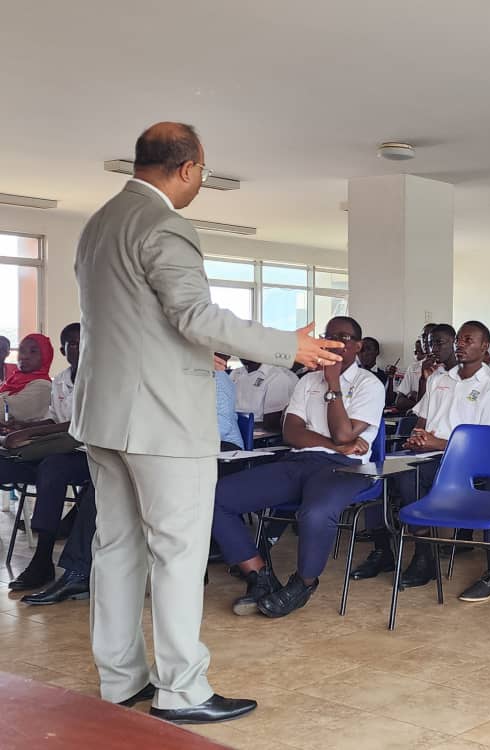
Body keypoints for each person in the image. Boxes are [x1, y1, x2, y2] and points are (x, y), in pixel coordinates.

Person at [71, 122, 339, 723]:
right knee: (178, 554)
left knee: (115, 548)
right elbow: (193, 315)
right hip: (162, 420)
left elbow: (134, 322)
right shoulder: (165, 224)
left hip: (104, 414)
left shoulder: (99, 224)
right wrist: (284, 346)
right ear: (189, 168)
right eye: (204, 173)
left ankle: (120, 682)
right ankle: (183, 691)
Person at [212, 316, 384, 618]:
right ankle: (259, 575)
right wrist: (332, 443)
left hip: (348, 468)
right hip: (301, 460)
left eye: (343, 337)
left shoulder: (369, 384)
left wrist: (333, 383)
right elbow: (291, 432)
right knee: (216, 498)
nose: (335, 342)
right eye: (329, 336)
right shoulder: (307, 380)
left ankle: (303, 583)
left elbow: (345, 434)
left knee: (315, 512)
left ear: (357, 345)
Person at [374, 321, 490, 590]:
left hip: (467, 462)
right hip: (430, 454)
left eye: (469, 340)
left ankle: (427, 557)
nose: (460, 344)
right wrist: (419, 435)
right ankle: (393, 553)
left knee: (410, 476)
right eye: (459, 338)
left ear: (485, 348)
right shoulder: (438, 378)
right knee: (381, 472)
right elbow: (422, 419)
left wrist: (437, 443)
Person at [6, 324, 89, 591]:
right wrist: (22, 428)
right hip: (59, 449)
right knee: (9, 464)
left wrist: (35, 431)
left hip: (88, 454)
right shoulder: (62, 379)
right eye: (71, 345)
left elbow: (81, 424)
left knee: (53, 468)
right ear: (64, 351)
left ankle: (42, 559)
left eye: (82, 342)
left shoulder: (100, 378)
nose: (77, 348)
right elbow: (55, 416)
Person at [0, 333, 54, 427]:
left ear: (45, 355)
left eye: (33, 351)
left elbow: (7, 413)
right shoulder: (13, 380)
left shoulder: (43, 386)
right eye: (21, 351)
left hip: (21, 439)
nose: (24, 356)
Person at [229, 357, 298, 430]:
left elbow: (272, 424)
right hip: (230, 427)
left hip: (255, 433)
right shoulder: (236, 372)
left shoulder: (277, 376)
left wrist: (240, 426)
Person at [394, 323, 436, 412]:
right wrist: (420, 405)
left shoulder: (447, 367)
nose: (425, 340)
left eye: (430, 336)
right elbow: (399, 402)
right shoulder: (413, 368)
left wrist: (415, 399)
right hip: (417, 416)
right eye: (423, 337)